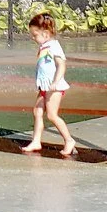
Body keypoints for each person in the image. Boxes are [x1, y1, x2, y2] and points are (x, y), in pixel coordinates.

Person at [21, 12, 77, 157]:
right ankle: (36, 141)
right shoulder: (44, 45)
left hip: (54, 87)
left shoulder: (54, 46)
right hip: (44, 86)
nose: (33, 38)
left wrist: (56, 82)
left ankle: (69, 140)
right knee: (37, 112)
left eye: (35, 35)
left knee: (52, 115)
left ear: (45, 34)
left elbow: (61, 65)